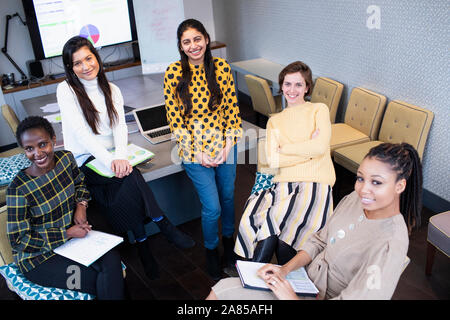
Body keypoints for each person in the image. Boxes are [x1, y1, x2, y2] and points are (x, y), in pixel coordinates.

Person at [207, 142, 422, 300]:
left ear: (400, 186)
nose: (364, 189)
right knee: (222, 290)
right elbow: (319, 240)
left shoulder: (391, 242)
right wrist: (284, 270)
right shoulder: (354, 200)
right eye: (360, 178)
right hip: (307, 283)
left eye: (376, 182)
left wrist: (291, 297)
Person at [57, 36, 195, 280]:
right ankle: (161, 222)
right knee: (130, 177)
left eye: (88, 58)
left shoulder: (112, 89)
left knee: (128, 179)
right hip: (85, 159)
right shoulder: (66, 90)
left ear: (96, 57)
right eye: (77, 63)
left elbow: (120, 127)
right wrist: (114, 162)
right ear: (70, 68)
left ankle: (143, 244)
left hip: (113, 156)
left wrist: (120, 157)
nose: (85, 66)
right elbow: (82, 134)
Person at [6, 116, 124, 299]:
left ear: (54, 139)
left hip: (74, 242)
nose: (37, 153)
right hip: (39, 259)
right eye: (29, 149)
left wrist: (81, 206)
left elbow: (80, 185)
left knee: (113, 261)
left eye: (42, 144)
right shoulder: (18, 189)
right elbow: (19, 240)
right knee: (95, 281)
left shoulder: (66, 159)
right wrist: (67, 233)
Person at [163, 19, 243, 280]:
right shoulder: (173, 72)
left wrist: (227, 145)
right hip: (193, 150)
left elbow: (232, 110)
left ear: (206, 39)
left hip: (224, 145)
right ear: (181, 46)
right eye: (187, 42)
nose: (193, 45)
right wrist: (196, 152)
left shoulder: (221, 67)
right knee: (213, 207)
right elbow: (175, 121)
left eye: (197, 39)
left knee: (229, 197)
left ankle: (229, 245)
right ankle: (211, 250)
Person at [234, 61, 335, 265]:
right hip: (283, 183)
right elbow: (273, 159)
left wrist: (286, 149)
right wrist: (308, 148)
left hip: (316, 182)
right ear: (281, 86)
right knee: (265, 220)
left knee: (281, 233)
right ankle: (254, 277)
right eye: (287, 84)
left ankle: (267, 278)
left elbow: (320, 148)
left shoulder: (319, 109)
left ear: (307, 88)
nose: (292, 90)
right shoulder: (275, 121)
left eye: (298, 85)